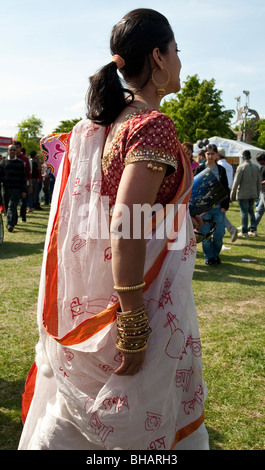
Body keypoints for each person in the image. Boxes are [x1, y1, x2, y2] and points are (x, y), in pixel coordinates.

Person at [18, 9, 209, 451]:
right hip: (135, 303)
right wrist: (134, 325)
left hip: (102, 300)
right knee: (138, 422)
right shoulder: (151, 125)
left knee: (81, 423)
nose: (181, 61)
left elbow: (118, 216)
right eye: (177, 51)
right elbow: (125, 224)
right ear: (159, 58)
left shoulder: (108, 125)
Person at [194, 144, 230, 266]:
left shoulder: (221, 170)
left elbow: (226, 189)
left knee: (219, 233)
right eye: (208, 153)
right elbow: (194, 188)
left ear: (216, 155)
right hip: (203, 209)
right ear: (205, 155)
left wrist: (225, 207)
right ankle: (210, 257)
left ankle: (215, 255)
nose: (210, 156)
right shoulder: (199, 169)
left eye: (212, 154)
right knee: (205, 234)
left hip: (218, 208)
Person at [230, 150, 261, 238]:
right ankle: (254, 230)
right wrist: (257, 194)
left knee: (244, 212)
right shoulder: (256, 167)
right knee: (251, 211)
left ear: (243, 157)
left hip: (243, 193)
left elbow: (236, 182)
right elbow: (258, 182)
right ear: (250, 157)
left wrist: (232, 194)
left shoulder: (241, 167)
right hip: (253, 193)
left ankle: (244, 231)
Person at [0, 144, 27, 231]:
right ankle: (13, 220)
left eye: (14, 150)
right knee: (8, 206)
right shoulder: (3, 163)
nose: (12, 151)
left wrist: (23, 190)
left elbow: (23, 178)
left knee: (12, 205)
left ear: (16, 152)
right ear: (7, 151)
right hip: (5, 188)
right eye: (10, 150)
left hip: (16, 188)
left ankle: (9, 225)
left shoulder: (20, 163)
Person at [217, 148, 237, 242]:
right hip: (228, 189)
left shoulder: (219, 166)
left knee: (218, 212)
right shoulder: (229, 165)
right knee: (219, 212)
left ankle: (231, 228)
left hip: (220, 190)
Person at [14, 141, 32, 221]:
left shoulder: (25, 159)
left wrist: (30, 185)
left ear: (20, 148)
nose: (16, 150)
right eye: (15, 148)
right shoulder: (11, 158)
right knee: (14, 202)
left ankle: (23, 215)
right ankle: (14, 217)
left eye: (17, 147)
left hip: (23, 183)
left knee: (24, 201)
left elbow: (28, 172)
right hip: (13, 183)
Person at [254, 152, 265, 230]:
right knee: (259, 210)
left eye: (259, 161)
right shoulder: (262, 167)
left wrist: (260, 184)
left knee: (259, 209)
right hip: (262, 191)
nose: (258, 162)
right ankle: (252, 226)